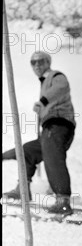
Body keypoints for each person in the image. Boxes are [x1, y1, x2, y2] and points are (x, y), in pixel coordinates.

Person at [2, 51, 76, 215]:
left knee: (52, 156)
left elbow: (61, 87)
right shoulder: (43, 82)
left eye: (41, 61)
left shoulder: (56, 76)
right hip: (49, 127)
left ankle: (62, 199)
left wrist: (43, 102)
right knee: (27, 151)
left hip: (59, 124)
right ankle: (23, 189)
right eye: (33, 62)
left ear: (48, 62)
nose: (37, 65)